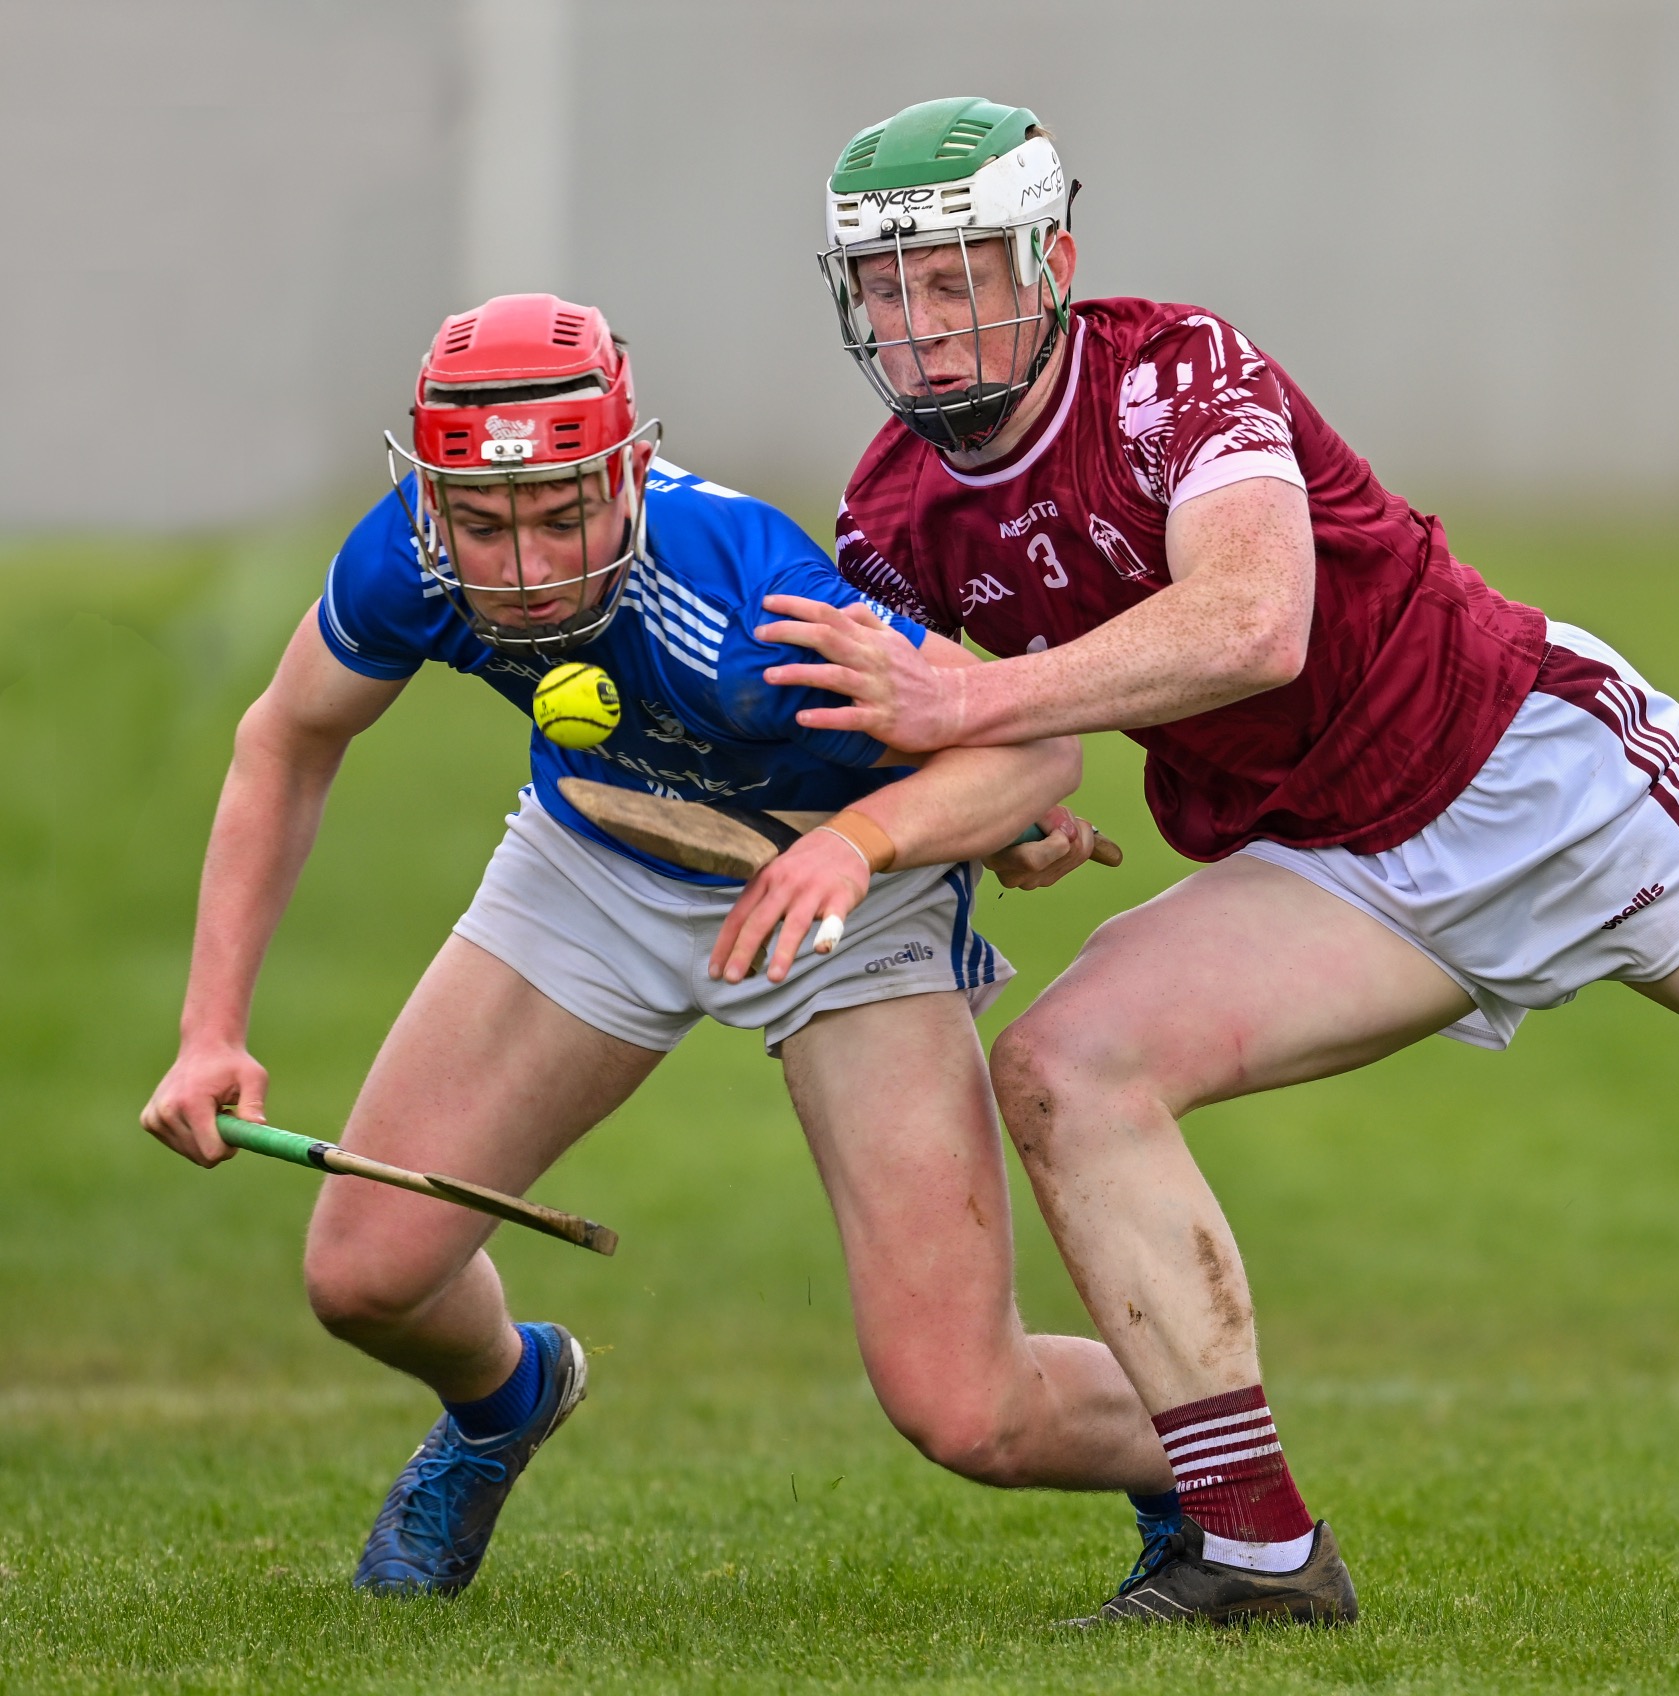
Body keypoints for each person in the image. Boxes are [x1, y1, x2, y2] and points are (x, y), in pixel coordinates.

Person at [771, 96, 1679, 1625]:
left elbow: (1251, 620)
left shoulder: (1173, 374)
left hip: (1541, 779)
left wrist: (977, 697)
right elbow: (986, 748)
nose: (922, 328)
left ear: (1052, 261)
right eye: (885, 289)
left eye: (955, 280)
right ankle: (1261, 1559)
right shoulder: (891, 513)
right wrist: (1007, 809)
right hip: (1337, 868)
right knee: (1068, 1065)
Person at [140, 291, 1177, 1599]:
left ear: (631, 471)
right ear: (432, 492)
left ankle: (1219, 1471)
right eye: (485, 523)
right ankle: (504, 1401)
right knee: (365, 1278)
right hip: (599, 857)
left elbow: (1035, 750)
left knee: (971, 1413)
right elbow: (286, 737)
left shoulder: (744, 590)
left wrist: (883, 837)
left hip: (848, 893)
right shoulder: (407, 556)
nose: (523, 569)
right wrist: (210, 1031)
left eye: (565, 514)